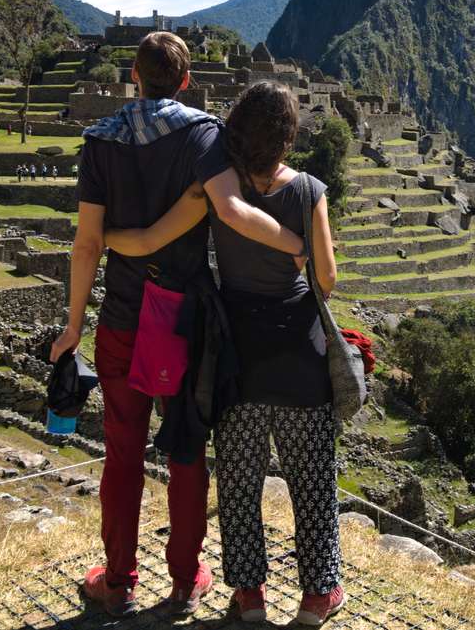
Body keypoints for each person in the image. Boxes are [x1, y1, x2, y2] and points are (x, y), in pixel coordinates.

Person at [49, 32, 306, 619]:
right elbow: (234, 212)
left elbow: (87, 245)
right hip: (185, 322)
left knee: (121, 453)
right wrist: (301, 245)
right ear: (186, 81)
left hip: (121, 319)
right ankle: (187, 580)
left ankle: (116, 582)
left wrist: (72, 326)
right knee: (187, 452)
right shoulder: (204, 136)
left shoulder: (100, 142)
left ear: (133, 77)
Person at [103, 81, 344, 625]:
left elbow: (150, 240)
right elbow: (326, 279)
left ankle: (250, 597)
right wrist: (297, 252)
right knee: (312, 479)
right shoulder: (310, 191)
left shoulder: (216, 191)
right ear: (288, 137)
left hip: (235, 354)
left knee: (238, 480)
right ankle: (316, 596)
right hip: (299, 353)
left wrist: (106, 236)